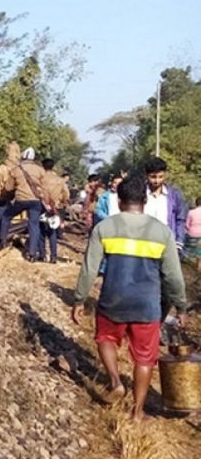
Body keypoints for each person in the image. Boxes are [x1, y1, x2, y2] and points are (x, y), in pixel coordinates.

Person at [71, 175, 188, 421]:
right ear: (144, 200)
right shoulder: (162, 232)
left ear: (119, 201)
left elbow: (89, 269)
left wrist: (79, 299)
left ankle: (115, 382)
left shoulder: (104, 228)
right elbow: (173, 276)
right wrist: (181, 306)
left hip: (112, 301)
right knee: (145, 358)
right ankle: (137, 412)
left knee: (105, 338)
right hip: (147, 306)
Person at [0, 147, 45, 261]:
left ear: (23, 156)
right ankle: (32, 253)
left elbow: (8, 188)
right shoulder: (40, 170)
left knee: (6, 217)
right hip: (35, 201)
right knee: (34, 225)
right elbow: (44, 187)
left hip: (21, 200)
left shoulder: (16, 169)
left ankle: (2, 242)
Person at [143, 157, 188, 255]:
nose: (157, 181)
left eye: (160, 177)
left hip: (167, 244)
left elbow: (180, 219)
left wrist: (179, 243)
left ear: (165, 174)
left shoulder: (174, 195)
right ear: (146, 175)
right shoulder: (140, 193)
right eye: (153, 177)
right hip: (143, 244)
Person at [0, 141, 20, 249]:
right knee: (4, 220)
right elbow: (8, 186)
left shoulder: (0, 168)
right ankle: (1, 242)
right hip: (3, 198)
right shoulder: (7, 170)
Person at [38, 158, 69, 263]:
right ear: (53, 167)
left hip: (42, 206)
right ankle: (53, 257)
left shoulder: (40, 179)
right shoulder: (60, 180)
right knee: (52, 232)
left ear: (43, 167)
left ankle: (42, 255)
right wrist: (62, 203)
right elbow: (66, 194)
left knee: (41, 230)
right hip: (55, 207)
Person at [186, 197, 201, 269]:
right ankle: (198, 265)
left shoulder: (191, 212)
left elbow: (186, 225)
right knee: (199, 249)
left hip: (192, 235)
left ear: (196, 203)